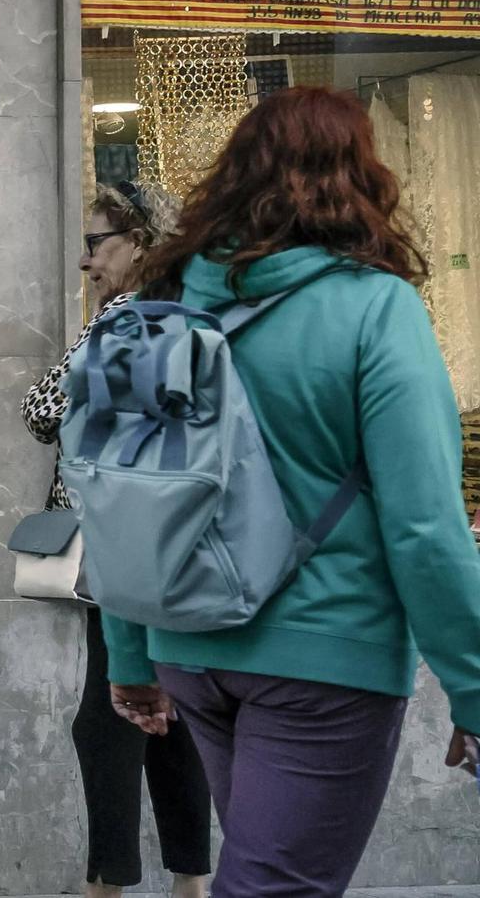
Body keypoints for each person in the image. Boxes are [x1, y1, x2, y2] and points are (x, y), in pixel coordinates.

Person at [103, 88, 480, 898]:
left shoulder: (163, 303)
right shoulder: (376, 308)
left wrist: (131, 654)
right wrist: (475, 684)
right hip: (326, 658)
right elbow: (424, 526)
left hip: (190, 650)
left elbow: (125, 495)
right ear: (362, 182)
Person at [22, 181, 212, 898]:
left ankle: (107, 884)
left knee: (108, 716)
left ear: (140, 243)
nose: (85, 260)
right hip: (182, 545)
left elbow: (40, 410)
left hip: (118, 538)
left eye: (96, 242)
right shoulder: (194, 314)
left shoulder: (123, 321)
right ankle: (190, 882)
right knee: (176, 712)